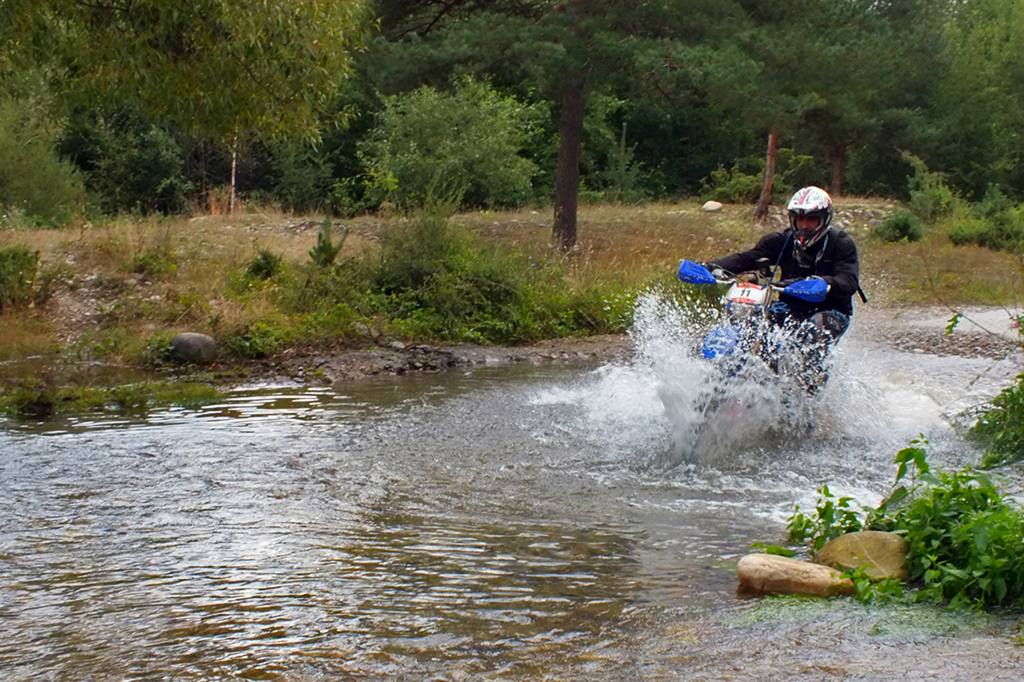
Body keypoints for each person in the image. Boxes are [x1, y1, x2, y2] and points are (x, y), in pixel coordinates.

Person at [704, 186, 863, 387]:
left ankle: (808, 393)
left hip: (831, 311)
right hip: (789, 308)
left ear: (824, 219)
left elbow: (849, 280)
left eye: (812, 219)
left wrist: (825, 283)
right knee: (754, 328)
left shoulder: (840, 244)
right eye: (799, 219)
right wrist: (710, 267)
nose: (804, 225)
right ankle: (738, 382)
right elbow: (748, 258)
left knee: (813, 332)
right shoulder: (781, 241)